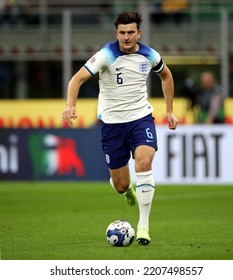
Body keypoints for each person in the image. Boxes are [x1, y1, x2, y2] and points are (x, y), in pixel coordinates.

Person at [62, 11, 178, 245]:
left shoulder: (149, 55)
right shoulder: (106, 54)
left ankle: (143, 226)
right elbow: (76, 79)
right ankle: (127, 192)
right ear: (116, 33)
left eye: (131, 32)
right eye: (122, 33)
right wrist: (70, 105)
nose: (126, 37)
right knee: (120, 184)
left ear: (139, 33)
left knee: (144, 162)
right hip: (113, 125)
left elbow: (166, 76)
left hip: (141, 118)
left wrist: (169, 110)